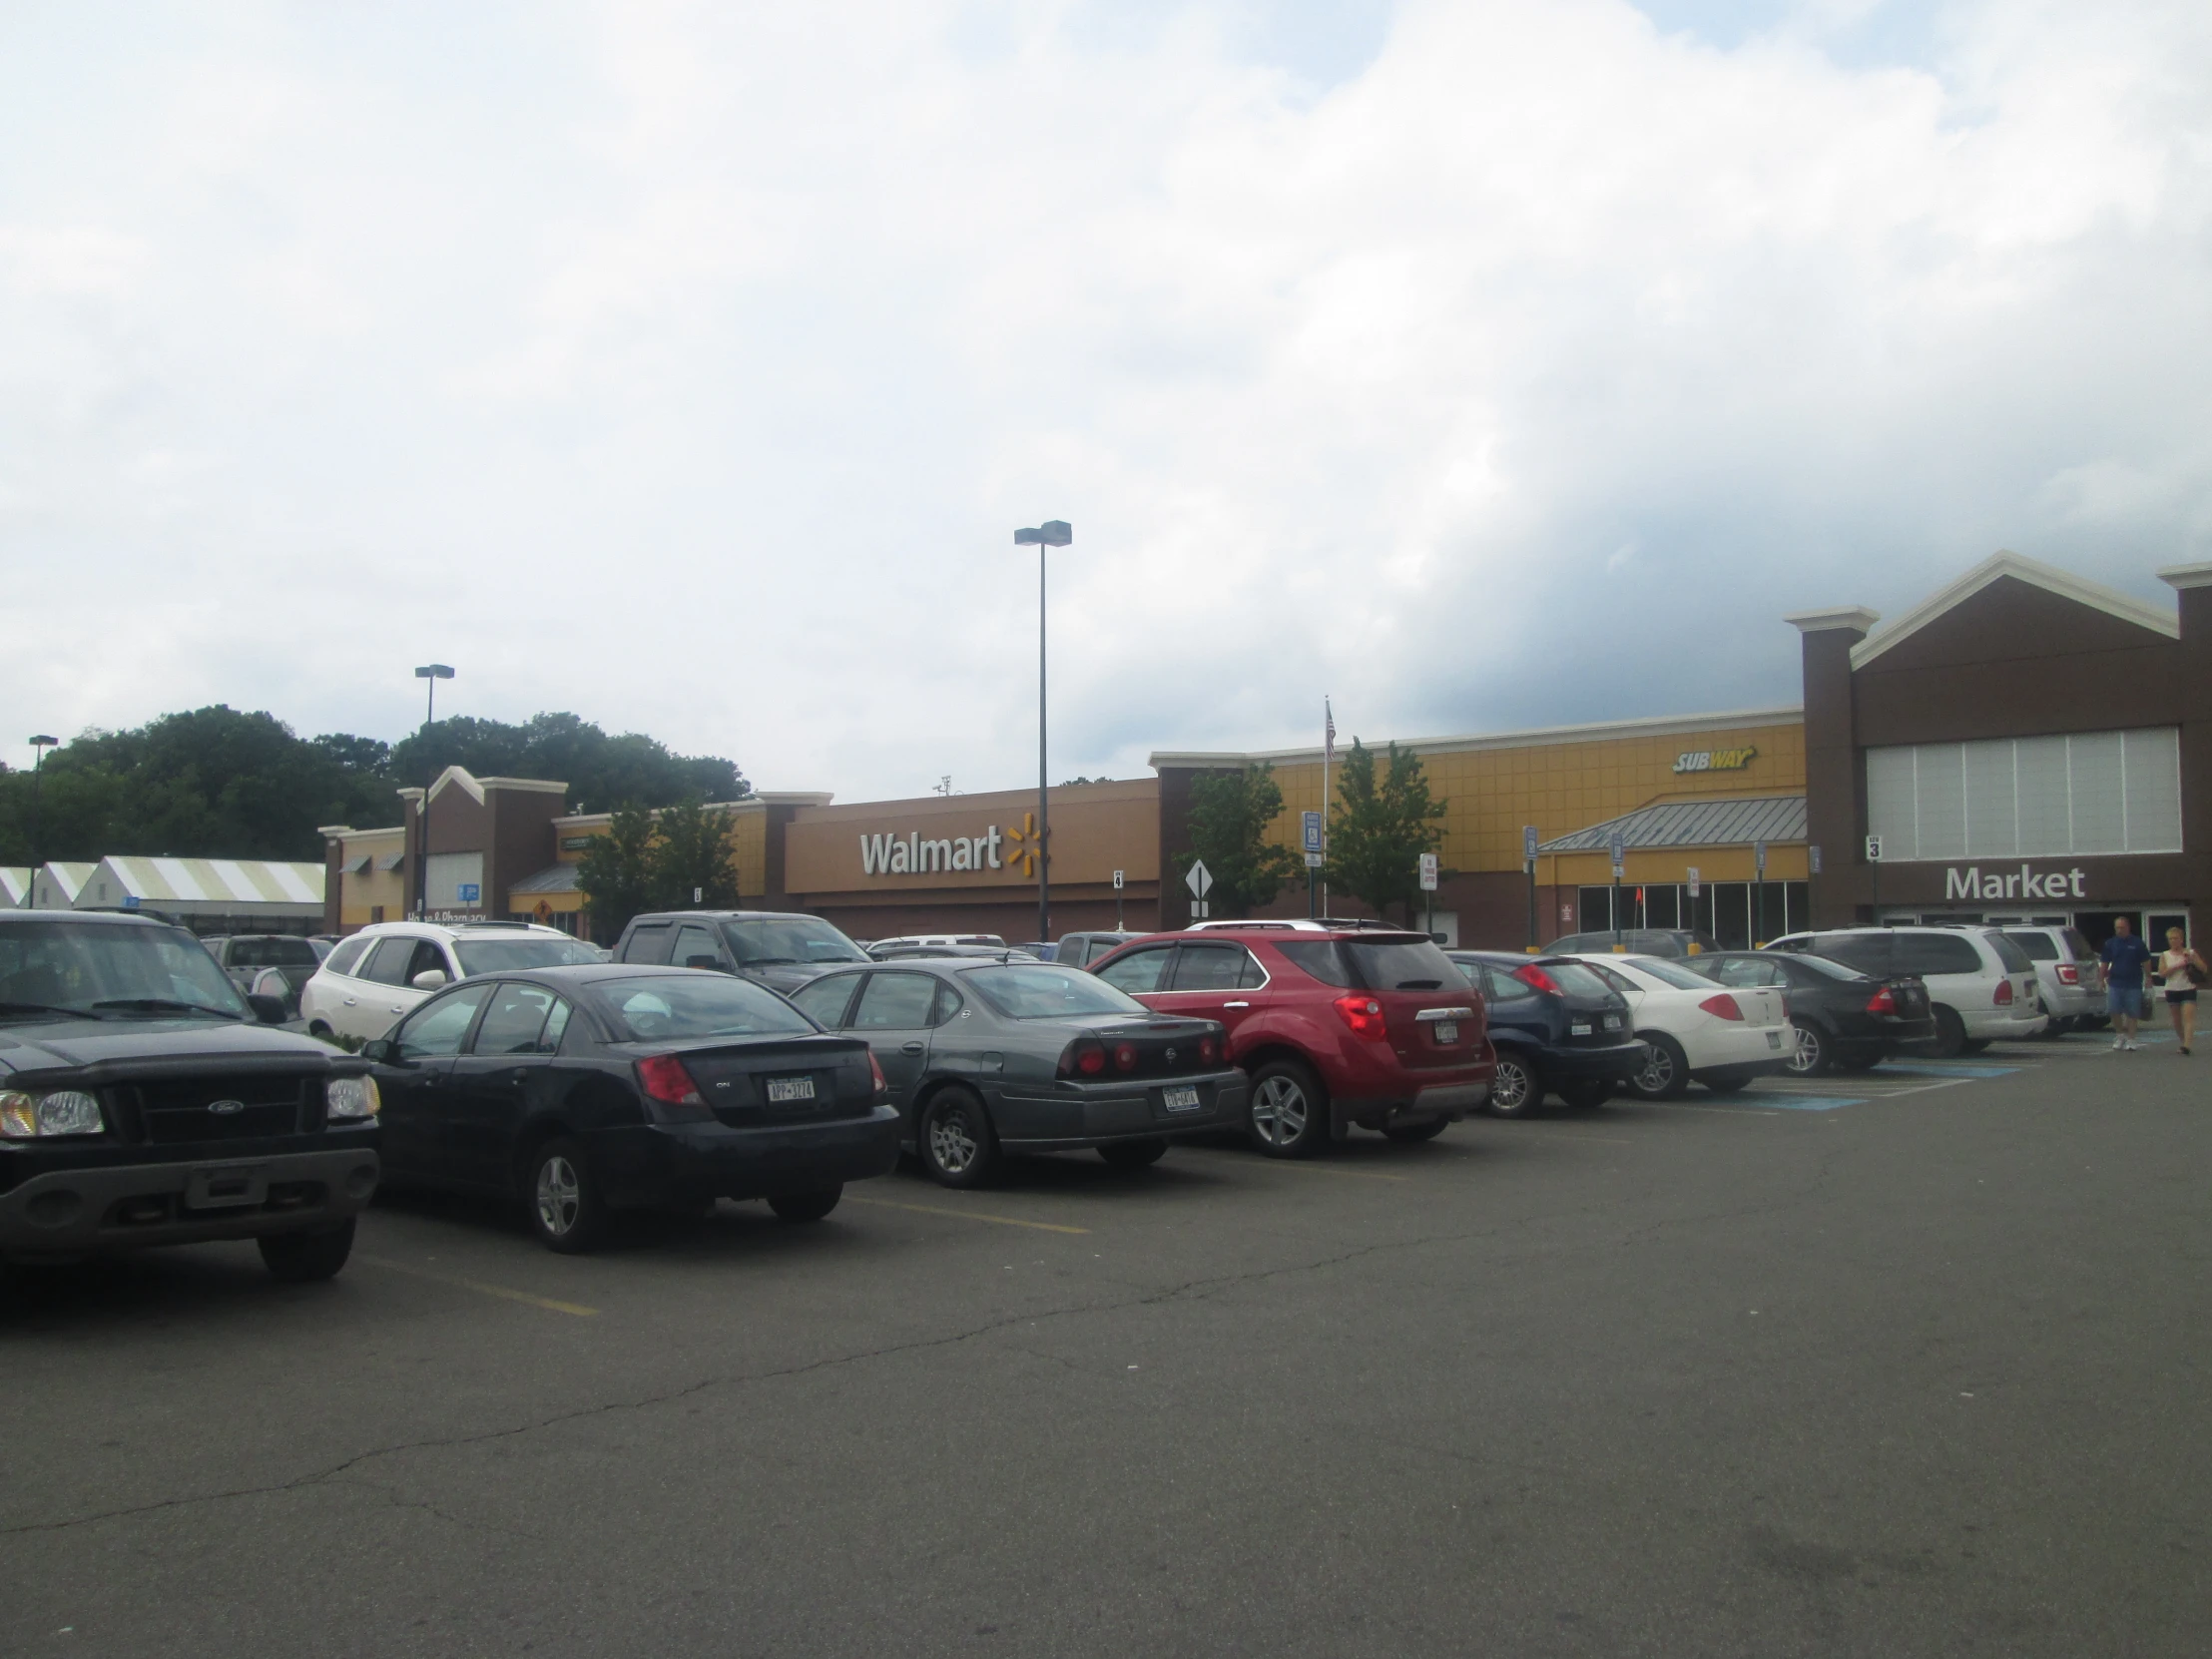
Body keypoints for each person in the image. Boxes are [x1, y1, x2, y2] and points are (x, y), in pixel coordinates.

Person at [2153, 925, 2206, 1057]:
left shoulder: (2191, 953)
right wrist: (2178, 965)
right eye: (2171, 939)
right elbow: (2162, 973)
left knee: (2188, 1017)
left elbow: (2204, 969)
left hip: (2188, 987)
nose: (2173, 941)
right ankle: (2183, 1042)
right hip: (2172, 989)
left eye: (2176, 938)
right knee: (2177, 1020)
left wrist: (2192, 960)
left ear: (2181, 940)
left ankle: (2187, 1045)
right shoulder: (2165, 955)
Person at [2100, 917, 2151, 1052]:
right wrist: (2100, 979)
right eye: (2117, 928)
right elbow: (2104, 962)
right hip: (2115, 982)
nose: (2119, 930)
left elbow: (2146, 961)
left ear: (2128, 927)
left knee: (2132, 1012)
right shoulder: (2110, 943)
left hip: (2133, 983)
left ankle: (2131, 1039)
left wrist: (2149, 978)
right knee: (2113, 1009)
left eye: (2122, 928)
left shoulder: (2137, 943)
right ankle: (2120, 1035)